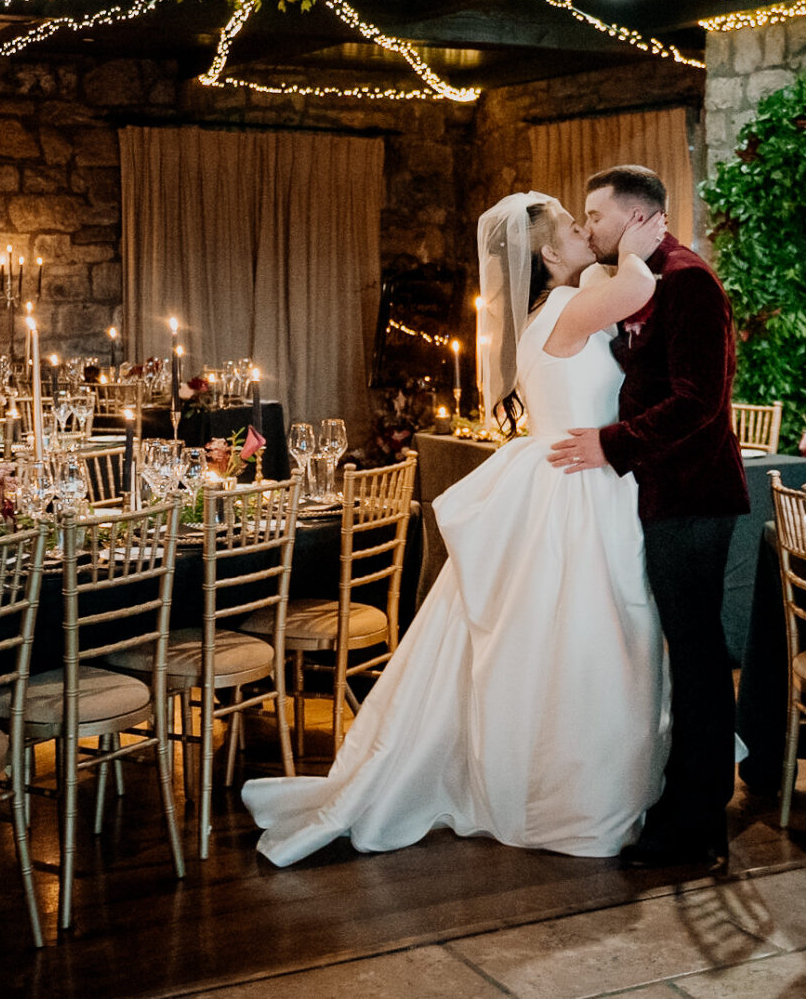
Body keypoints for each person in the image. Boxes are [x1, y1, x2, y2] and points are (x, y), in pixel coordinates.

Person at [241, 192, 672, 865]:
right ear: (550, 255)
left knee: (564, 640)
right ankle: (572, 796)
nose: (589, 232)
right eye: (573, 227)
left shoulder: (546, 312)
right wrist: (637, 245)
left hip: (570, 475)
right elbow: (639, 284)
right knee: (587, 639)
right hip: (575, 488)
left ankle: (562, 775)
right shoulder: (571, 304)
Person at [547, 165, 749, 870]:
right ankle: (684, 805)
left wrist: (609, 444)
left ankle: (697, 826)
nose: (588, 227)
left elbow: (700, 404)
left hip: (695, 498)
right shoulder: (643, 276)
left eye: (595, 215)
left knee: (697, 660)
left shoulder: (687, 280)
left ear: (636, 216)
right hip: (668, 496)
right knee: (686, 655)